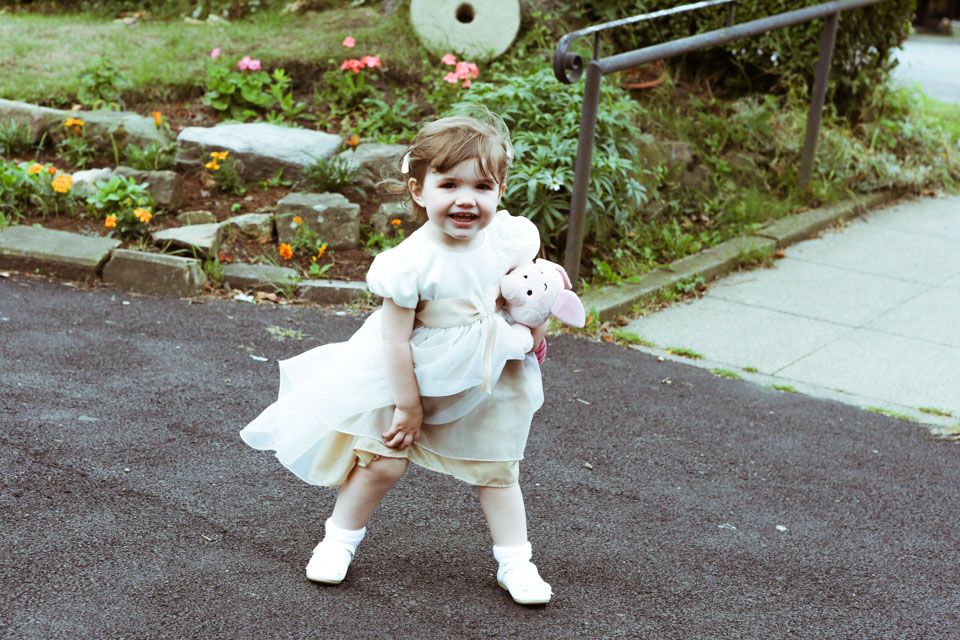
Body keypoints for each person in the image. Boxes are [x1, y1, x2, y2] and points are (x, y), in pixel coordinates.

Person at [240, 110, 553, 605]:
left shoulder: (506, 239)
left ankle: (516, 562)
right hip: (408, 371)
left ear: (499, 191)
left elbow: (529, 293)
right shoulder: (410, 262)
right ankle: (338, 541)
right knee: (382, 461)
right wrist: (409, 406)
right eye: (448, 184)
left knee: (497, 469)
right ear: (418, 190)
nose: (465, 199)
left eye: (482, 187)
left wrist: (534, 332)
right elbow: (395, 341)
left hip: (485, 371)